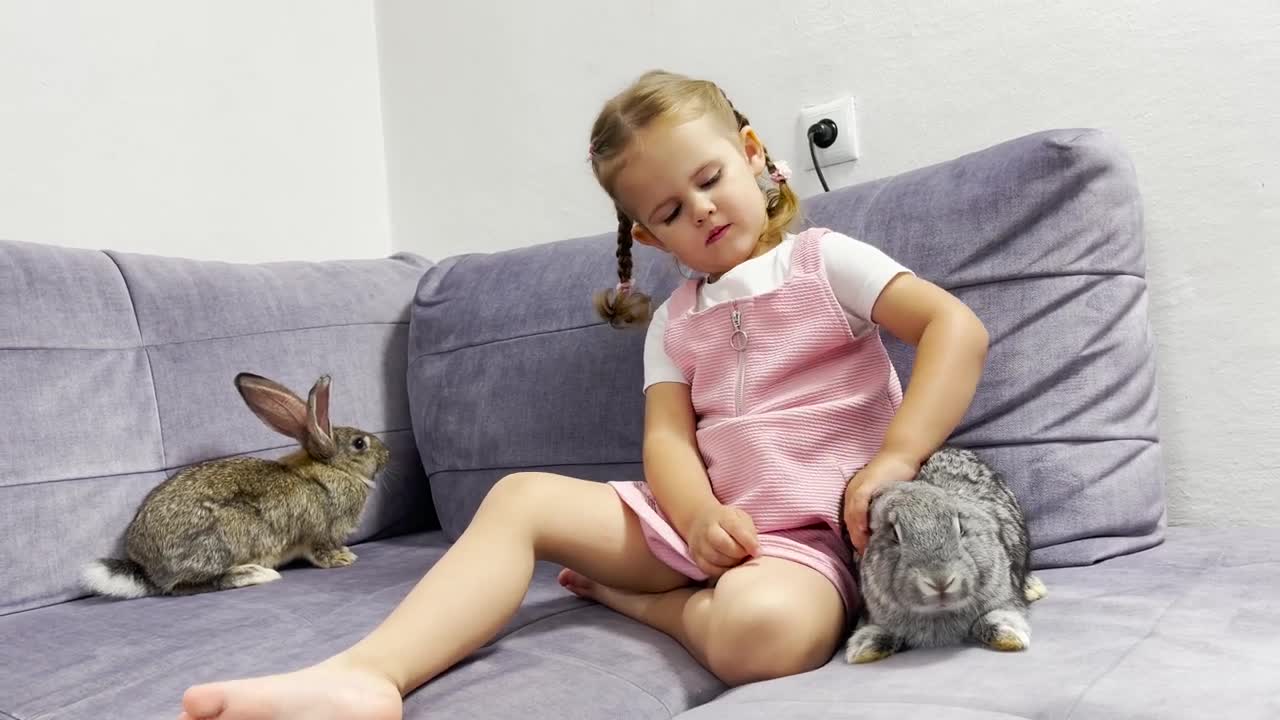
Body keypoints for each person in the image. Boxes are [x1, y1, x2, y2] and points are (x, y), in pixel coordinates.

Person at [177, 69, 989, 720]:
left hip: (808, 543)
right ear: (648, 235)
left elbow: (956, 330)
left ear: (751, 153)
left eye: (709, 178)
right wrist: (699, 516)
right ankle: (365, 676)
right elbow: (667, 442)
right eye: (670, 209)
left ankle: (642, 605)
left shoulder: (825, 260)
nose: (700, 209)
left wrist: (896, 458)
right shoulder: (674, 321)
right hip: (698, 525)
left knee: (766, 634)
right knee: (522, 497)